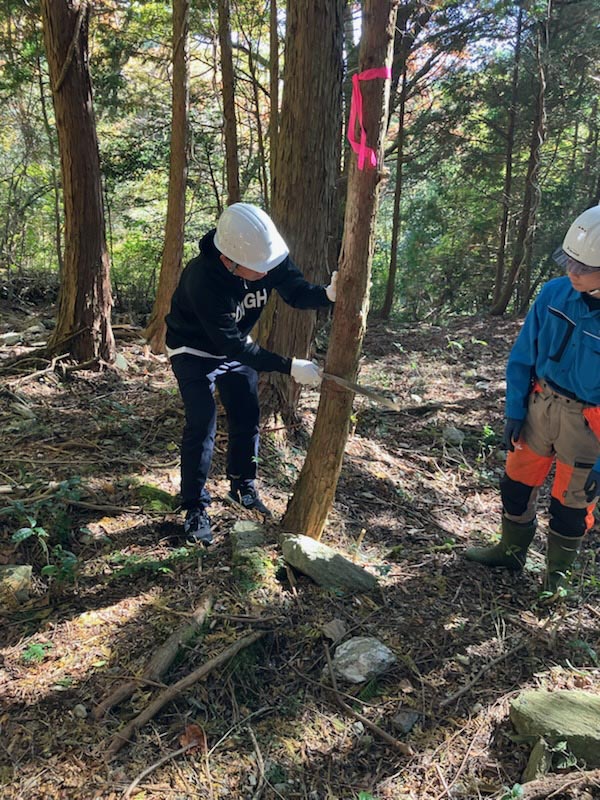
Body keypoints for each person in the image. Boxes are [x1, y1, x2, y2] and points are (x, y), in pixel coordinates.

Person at [165, 202, 337, 546]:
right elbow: (232, 346)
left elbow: (295, 290)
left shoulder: (264, 255)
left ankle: (242, 485)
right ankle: (194, 507)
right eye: (258, 270)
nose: (266, 273)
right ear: (229, 261)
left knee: (247, 414)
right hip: (193, 350)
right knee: (202, 423)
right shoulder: (203, 279)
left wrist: (327, 295)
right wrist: (289, 366)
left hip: (235, 346)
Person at [466, 204, 600, 598]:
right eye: (569, 261)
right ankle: (510, 551)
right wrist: (514, 410)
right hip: (540, 406)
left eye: (583, 267)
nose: (572, 272)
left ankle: (555, 577)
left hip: (589, 424)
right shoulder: (554, 294)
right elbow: (522, 356)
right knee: (517, 484)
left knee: (573, 505)